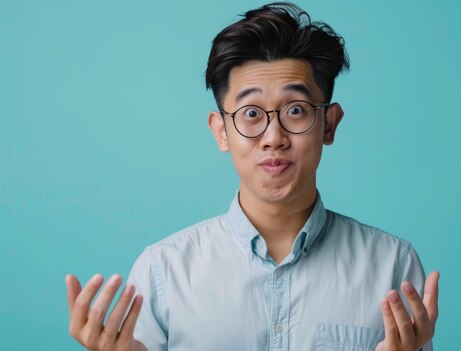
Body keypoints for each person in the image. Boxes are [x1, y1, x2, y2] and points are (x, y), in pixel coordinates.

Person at [65, 2, 439, 350]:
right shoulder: (163, 271)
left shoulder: (394, 267)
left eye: (296, 110)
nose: (274, 138)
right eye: (251, 114)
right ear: (221, 131)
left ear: (329, 123)